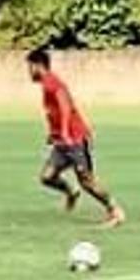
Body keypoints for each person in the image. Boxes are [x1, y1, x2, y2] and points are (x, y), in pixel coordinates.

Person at [26, 49, 125, 227]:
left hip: (75, 139)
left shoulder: (52, 83)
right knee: (47, 177)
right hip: (61, 142)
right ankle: (71, 192)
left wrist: (64, 132)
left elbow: (65, 106)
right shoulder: (46, 84)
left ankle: (115, 211)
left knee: (87, 181)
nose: (28, 71)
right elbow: (54, 112)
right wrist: (54, 133)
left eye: (30, 67)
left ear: (38, 65)